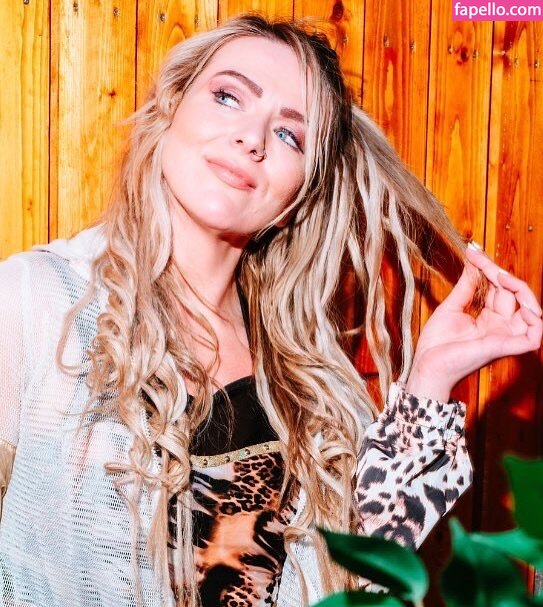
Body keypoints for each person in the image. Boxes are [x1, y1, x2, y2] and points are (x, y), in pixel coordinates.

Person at [0, 13, 541, 607]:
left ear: (296, 198)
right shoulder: (40, 301)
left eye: (289, 135)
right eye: (228, 97)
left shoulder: (303, 375)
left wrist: (432, 377)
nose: (252, 139)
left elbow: (353, 570)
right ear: (170, 108)